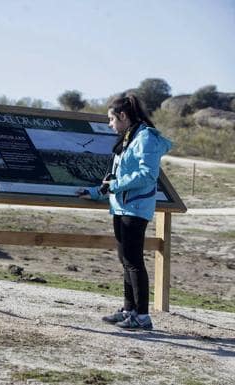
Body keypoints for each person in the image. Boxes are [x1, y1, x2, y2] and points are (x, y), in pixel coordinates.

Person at [77, 94, 172, 330]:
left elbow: (147, 175)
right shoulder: (129, 136)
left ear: (123, 116)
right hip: (121, 206)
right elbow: (116, 175)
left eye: (111, 119)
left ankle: (142, 316)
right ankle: (129, 309)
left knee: (133, 261)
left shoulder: (146, 138)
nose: (110, 124)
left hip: (136, 207)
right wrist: (96, 192)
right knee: (125, 260)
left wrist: (116, 185)